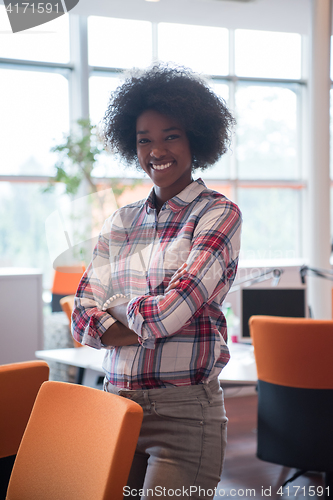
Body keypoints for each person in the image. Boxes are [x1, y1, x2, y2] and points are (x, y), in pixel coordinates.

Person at [72, 64, 242, 500]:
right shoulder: (121, 221)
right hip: (116, 405)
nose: (156, 150)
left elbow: (169, 314)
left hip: (184, 414)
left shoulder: (217, 214)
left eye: (171, 135)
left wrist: (114, 309)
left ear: (195, 140)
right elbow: (80, 314)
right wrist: (129, 314)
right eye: (144, 139)